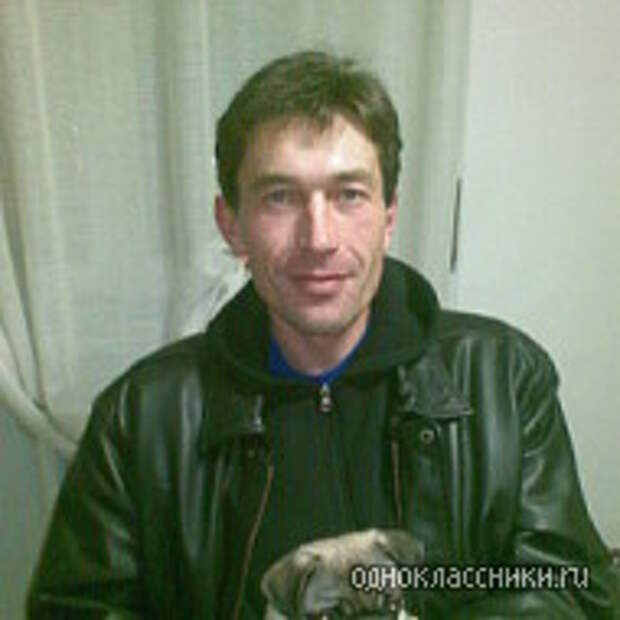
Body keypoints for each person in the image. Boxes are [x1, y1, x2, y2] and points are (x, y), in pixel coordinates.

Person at [27, 50, 618, 619]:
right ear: (232, 225)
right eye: (280, 197)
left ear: (388, 217)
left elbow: (570, 586)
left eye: (349, 195)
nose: (319, 238)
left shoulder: (502, 379)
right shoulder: (141, 416)